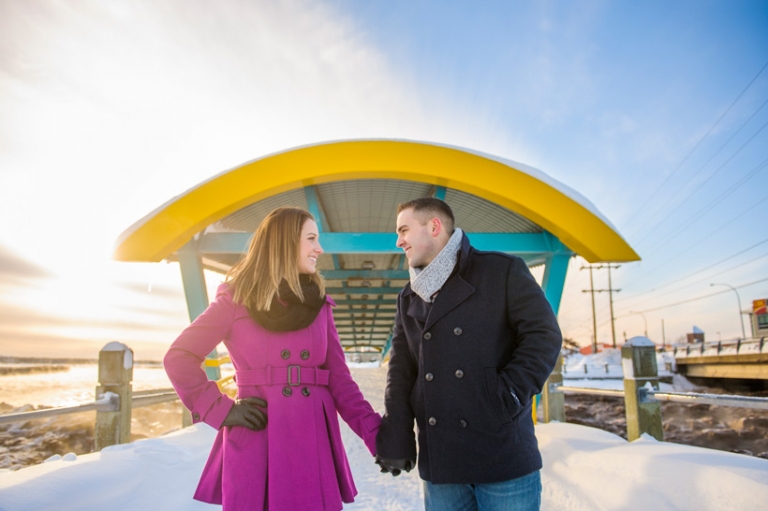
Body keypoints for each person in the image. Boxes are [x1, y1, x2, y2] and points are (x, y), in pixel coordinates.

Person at [164, 207, 382, 511]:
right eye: (311, 239)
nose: (319, 249)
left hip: (311, 440)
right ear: (285, 242)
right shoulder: (235, 300)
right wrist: (221, 409)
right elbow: (179, 358)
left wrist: (377, 436)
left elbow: (341, 382)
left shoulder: (320, 306)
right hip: (258, 437)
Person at [375, 198, 562, 511]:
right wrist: (398, 432)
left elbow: (543, 335)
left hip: (502, 453)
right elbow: (402, 370)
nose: (398, 241)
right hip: (442, 462)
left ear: (434, 226)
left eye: (404, 229)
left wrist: (506, 397)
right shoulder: (407, 297)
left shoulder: (501, 271)